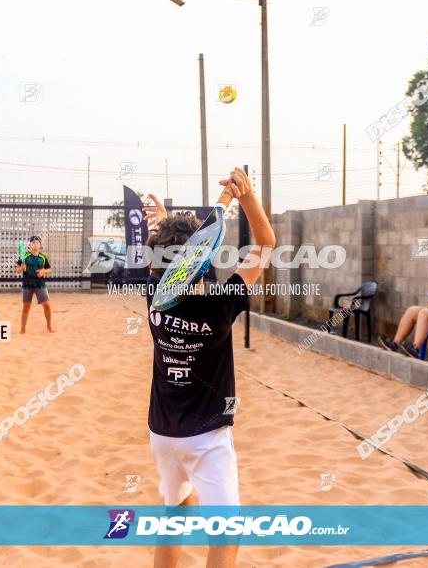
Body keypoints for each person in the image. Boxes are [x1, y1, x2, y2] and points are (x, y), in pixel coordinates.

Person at [142, 168, 275, 568]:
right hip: (206, 435)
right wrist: (245, 196)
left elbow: (171, 263)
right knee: (226, 535)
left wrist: (165, 223)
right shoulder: (220, 304)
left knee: (175, 516)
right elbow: (266, 244)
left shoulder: (154, 297)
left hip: (162, 432)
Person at [14, 235, 53, 333]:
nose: (35, 244)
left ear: (40, 245)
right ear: (30, 245)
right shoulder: (25, 256)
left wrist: (43, 271)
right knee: (26, 307)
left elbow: (50, 269)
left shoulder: (43, 257)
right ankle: (22, 329)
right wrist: (21, 268)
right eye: (33, 243)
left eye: (37, 243)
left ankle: (49, 326)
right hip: (27, 285)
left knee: (47, 306)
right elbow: (17, 270)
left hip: (40, 285)